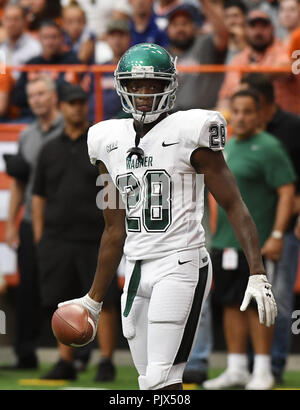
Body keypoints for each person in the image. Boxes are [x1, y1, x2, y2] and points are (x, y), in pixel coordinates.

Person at [57, 43, 277, 391]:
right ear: (122, 86)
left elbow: (234, 204)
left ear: (169, 86)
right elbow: (114, 229)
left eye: (153, 84)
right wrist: (93, 299)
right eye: (136, 84)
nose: (144, 93)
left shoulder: (192, 131)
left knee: (161, 378)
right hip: (136, 268)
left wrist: (257, 271)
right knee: (150, 382)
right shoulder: (105, 140)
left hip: (181, 262)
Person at [203, 89, 295, 390]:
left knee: (260, 306)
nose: (240, 117)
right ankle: (237, 367)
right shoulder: (223, 147)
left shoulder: (269, 148)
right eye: (236, 111)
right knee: (231, 304)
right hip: (225, 243)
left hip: (259, 244)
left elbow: (287, 192)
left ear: (259, 115)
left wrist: (278, 235)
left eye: (247, 111)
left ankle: (263, 370)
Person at [32, 83, 120, 382]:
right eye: (71, 103)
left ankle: (106, 360)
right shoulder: (49, 149)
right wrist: (40, 234)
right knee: (62, 299)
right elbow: (39, 194)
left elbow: (111, 189)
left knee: (103, 299)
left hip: (95, 236)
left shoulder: (97, 146)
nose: (77, 108)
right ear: (61, 106)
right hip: (57, 237)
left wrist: (114, 230)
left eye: (82, 102)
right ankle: (65, 360)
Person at [240, 73, 300, 383]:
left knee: (280, 300)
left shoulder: (293, 128)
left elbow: (291, 185)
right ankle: (250, 366)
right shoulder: (241, 136)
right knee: (243, 299)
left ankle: (274, 366)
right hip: (249, 232)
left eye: (249, 107)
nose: (241, 114)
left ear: (263, 105)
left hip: (283, 229)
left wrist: (287, 225)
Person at [2, 76, 64, 370]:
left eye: (41, 94)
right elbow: (18, 183)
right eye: (32, 95)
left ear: (53, 97)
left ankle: (74, 354)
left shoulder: (70, 129)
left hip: (62, 221)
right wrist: (13, 222)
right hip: (29, 220)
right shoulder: (26, 135)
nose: (36, 100)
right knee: (27, 289)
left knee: (67, 287)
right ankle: (25, 354)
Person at [217, 8, 300, 116]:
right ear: (245, 30)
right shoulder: (237, 60)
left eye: (263, 26)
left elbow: (285, 68)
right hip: (246, 123)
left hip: (281, 120)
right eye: (253, 26)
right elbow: (225, 97)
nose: (258, 31)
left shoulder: (283, 50)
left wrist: (252, 78)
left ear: (272, 29)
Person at [11, 19, 81, 121]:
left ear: (61, 38)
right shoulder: (31, 64)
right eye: (45, 37)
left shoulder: (72, 61)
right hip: (31, 117)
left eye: (54, 37)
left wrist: (37, 89)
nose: (49, 42)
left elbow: (74, 94)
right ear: (39, 39)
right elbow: (17, 98)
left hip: (62, 117)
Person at [166, 2, 228, 111]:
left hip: (205, 114)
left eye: (185, 23)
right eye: (175, 25)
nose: (180, 29)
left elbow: (223, 34)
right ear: (168, 30)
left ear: (194, 27)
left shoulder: (205, 44)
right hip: (172, 116)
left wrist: (206, 3)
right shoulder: (164, 54)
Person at [0, 4, 42, 80]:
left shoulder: (35, 48)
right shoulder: (2, 47)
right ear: (3, 21)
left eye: (16, 19)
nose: (11, 24)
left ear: (24, 21)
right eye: (8, 19)